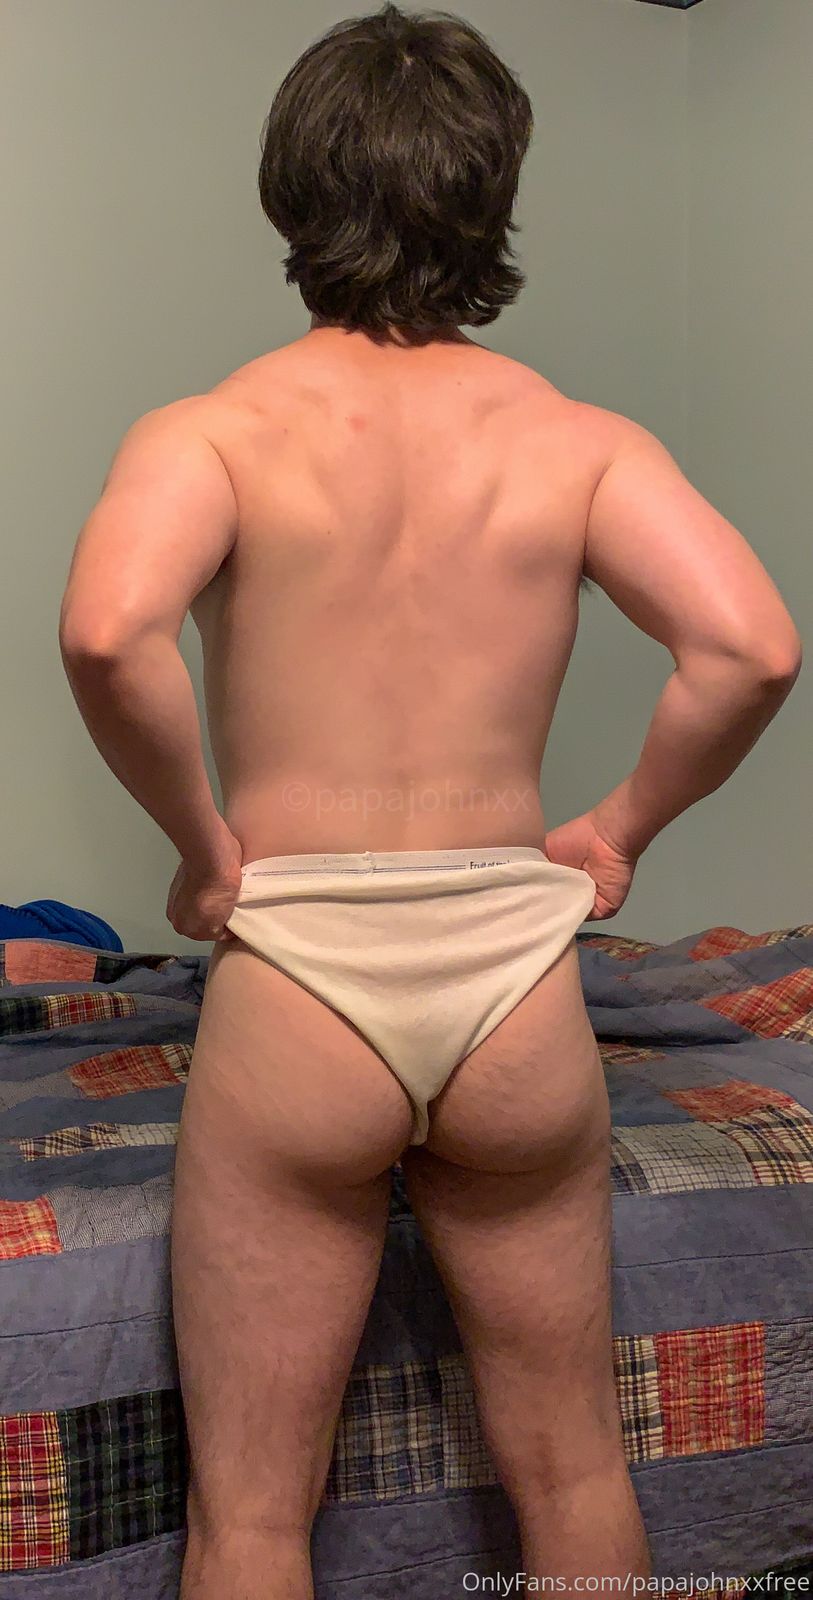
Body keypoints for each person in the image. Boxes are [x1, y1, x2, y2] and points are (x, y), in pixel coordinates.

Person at [58, 5, 802, 1597]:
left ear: (290, 189)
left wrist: (202, 852)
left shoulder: (213, 433)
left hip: (302, 982)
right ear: (490, 193)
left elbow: (111, 633)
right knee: (575, 1467)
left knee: (254, 1518)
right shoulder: (574, 442)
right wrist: (613, 831)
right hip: (511, 986)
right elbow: (748, 648)